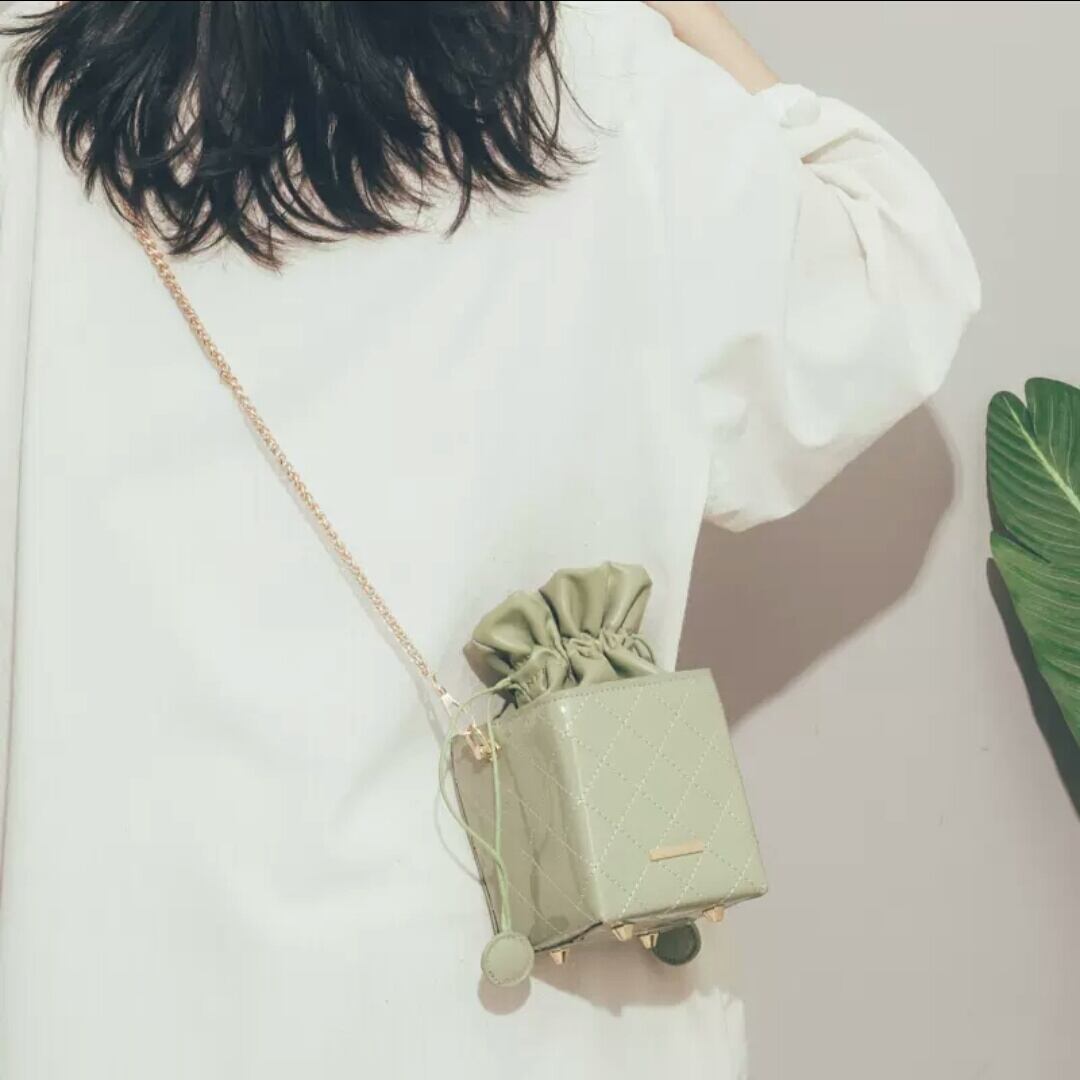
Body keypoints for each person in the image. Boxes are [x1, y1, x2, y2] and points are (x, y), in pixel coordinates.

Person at [0, 2, 979, 1078]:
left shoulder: (27, 94)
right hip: (522, 997)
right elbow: (891, 282)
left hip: (121, 994)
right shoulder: (602, 79)